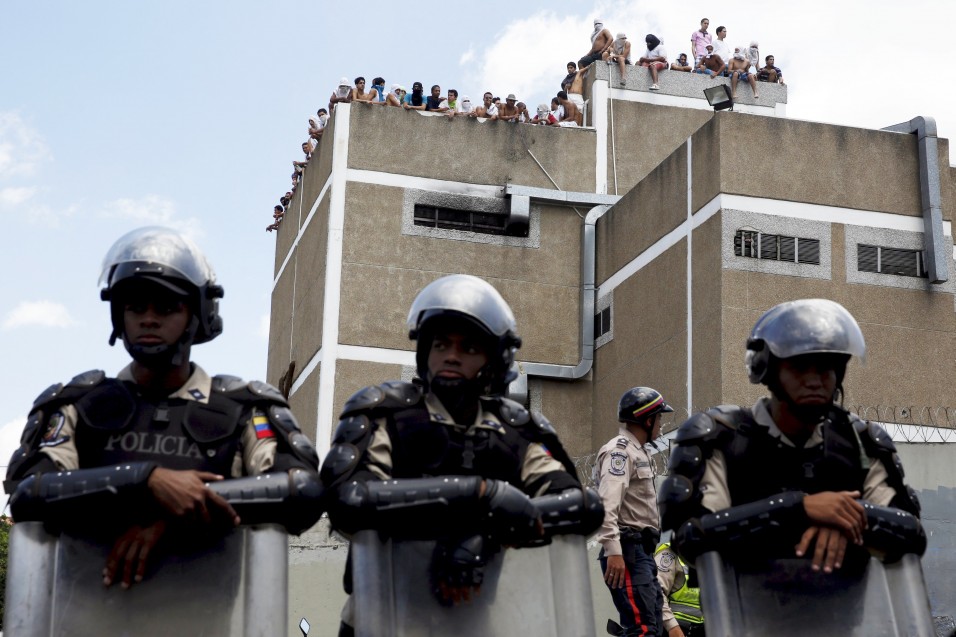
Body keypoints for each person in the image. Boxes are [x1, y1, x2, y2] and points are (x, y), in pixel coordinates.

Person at [4, 227, 322, 590]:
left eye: (167, 306)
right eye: (135, 307)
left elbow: (302, 491)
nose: (149, 318)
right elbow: (29, 493)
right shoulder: (75, 404)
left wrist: (175, 517)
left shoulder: (246, 408)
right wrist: (145, 480)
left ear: (198, 313)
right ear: (118, 316)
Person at [320, 274, 602, 635]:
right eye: (440, 345)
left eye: (468, 348)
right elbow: (349, 499)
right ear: (425, 350)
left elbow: (578, 505)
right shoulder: (386, 413)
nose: (451, 356)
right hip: (382, 619)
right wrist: (482, 494)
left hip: (473, 619)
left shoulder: (514, 429)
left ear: (493, 358)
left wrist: (484, 536)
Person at [659, 299, 925, 579]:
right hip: (744, 617)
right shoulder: (723, 438)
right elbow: (693, 537)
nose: (814, 380)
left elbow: (911, 533)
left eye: (825, 368)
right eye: (799, 367)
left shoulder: (860, 441)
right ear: (770, 372)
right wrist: (800, 509)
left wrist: (844, 518)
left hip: (851, 618)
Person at [595, 386, 671, 637]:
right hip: (627, 552)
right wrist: (614, 552)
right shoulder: (620, 451)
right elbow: (607, 505)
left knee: (652, 627)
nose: (660, 424)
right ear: (648, 420)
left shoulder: (638, 451)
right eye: (659, 418)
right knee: (643, 629)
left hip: (641, 553)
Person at [655, 542, 705, 637]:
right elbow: (656, 592)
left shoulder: (714, 556)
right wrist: (672, 627)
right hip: (673, 629)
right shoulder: (670, 553)